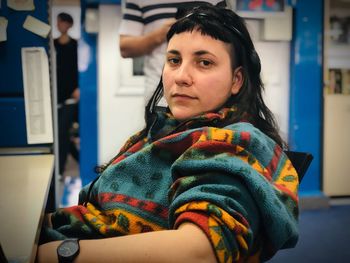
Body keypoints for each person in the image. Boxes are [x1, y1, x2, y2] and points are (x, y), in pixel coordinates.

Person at [38, 4, 299, 262]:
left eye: (204, 62)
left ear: (236, 80)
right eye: (174, 60)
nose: (181, 76)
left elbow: (199, 251)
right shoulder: (164, 130)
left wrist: (60, 253)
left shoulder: (234, 143)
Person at [119, 0, 225, 104]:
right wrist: (159, 36)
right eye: (174, 60)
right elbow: (124, 47)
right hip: (157, 91)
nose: (181, 77)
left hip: (204, 89)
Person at [54, 12, 80, 176]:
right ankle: (74, 160)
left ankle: (61, 169)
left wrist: (79, 88)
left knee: (63, 132)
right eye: (58, 22)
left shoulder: (76, 45)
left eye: (61, 22)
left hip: (72, 97)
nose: (59, 25)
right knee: (61, 133)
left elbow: (80, 68)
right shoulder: (53, 44)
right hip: (56, 96)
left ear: (68, 24)